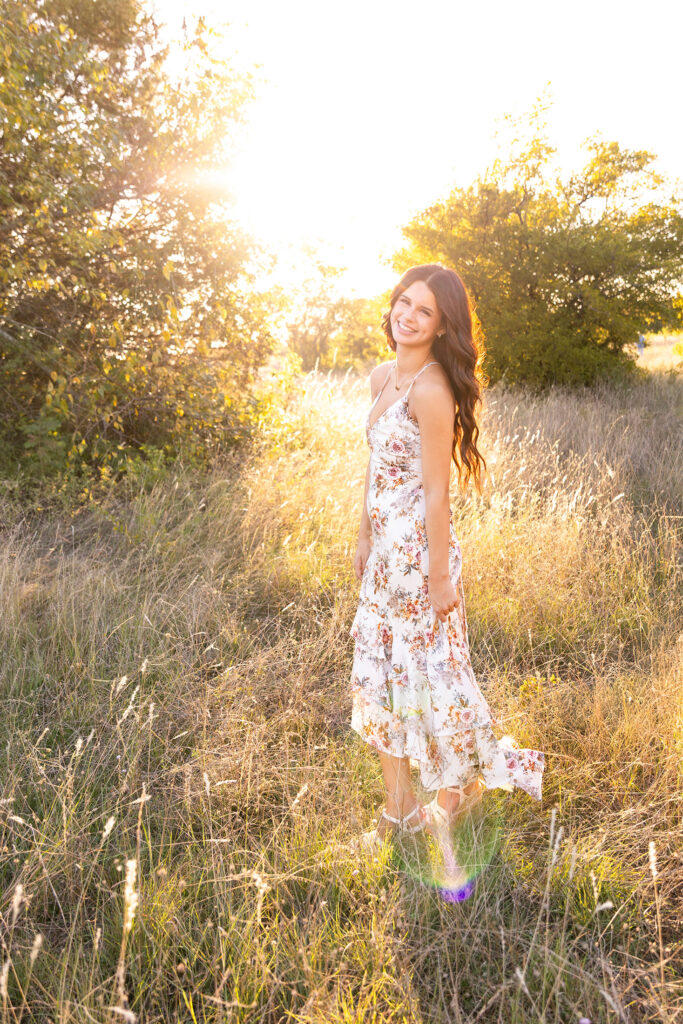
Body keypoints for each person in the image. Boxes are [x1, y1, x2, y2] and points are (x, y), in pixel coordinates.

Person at [349, 263, 544, 845]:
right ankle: (402, 807)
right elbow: (375, 469)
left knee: (431, 680)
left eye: (423, 311)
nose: (407, 316)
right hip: (383, 555)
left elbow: (437, 492)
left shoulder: (432, 391)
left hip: (418, 559)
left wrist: (439, 577)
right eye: (403, 303)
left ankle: (453, 792)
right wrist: (361, 533)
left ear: (442, 326)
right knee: (380, 676)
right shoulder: (383, 375)